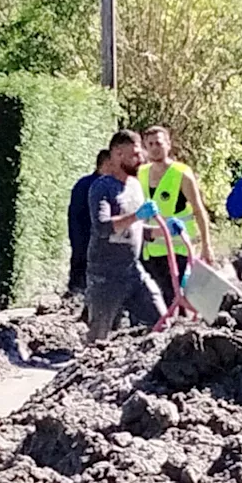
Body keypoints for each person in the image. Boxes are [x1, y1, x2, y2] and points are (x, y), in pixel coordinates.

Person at [85, 131, 166, 342]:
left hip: (132, 271)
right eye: (135, 155)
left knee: (162, 322)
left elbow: (135, 227)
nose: (141, 159)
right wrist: (137, 215)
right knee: (98, 338)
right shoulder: (102, 188)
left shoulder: (135, 186)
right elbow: (102, 227)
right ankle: (87, 372)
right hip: (105, 276)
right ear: (118, 154)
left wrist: (160, 232)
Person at [139, 126, 214, 305]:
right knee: (153, 300)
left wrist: (206, 245)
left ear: (168, 145)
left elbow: (198, 209)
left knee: (174, 298)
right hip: (150, 249)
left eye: (159, 143)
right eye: (150, 144)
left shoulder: (181, 173)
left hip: (177, 248)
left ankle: (181, 329)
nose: (155, 147)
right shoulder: (141, 173)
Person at [67, 149, 111, 293]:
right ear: (104, 164)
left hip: (85, 238)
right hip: (88, 237)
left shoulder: (84, 183)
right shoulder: (94, 185)